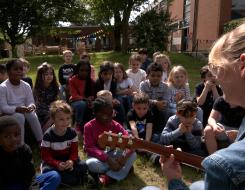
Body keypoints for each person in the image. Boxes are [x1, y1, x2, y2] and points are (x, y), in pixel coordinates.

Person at [158, 22, 245, 190]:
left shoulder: (222, 166)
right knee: (198, 185)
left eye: (216, 68)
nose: (214, 78)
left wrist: (174, 180)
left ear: (242, 66)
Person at [0, 116, 61, 190]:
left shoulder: (24, 149)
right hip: (8, 186)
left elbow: (31, 176)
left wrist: (33, 188)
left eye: (16, 135)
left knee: (54, 176)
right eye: (7, 137)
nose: (13, 139)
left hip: (25, 183)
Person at [84, 97, 137, 185]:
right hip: (99, 158)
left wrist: (125, 157)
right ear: (95, 113)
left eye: (111, 113)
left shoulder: (116, 125)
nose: (108, 118)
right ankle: (123, 170)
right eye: (104, 115)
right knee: (90, 164)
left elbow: (129, 141)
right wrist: (108, 159)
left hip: (114, 153)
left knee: (133, 155)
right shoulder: (88, 126)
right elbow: (89, 147)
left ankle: (108, 178)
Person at [41, 100, 88, 186]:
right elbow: (46, 156)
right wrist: (57, 164)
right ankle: (70, 179)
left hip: (67, 161)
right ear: (53, 119)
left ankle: (65, 179)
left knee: (83, 165)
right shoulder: (48, 135)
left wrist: (71, 161)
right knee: (47, 170)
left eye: (68, 118)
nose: (65, 122)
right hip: (54, 163)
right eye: (61, 119)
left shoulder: (72, 133)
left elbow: (74, 152)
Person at [0, 59, 43, 145]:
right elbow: (3, 107)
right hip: (10, 112)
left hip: (23, 110)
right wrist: (17, 109)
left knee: (32, 115)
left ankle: (41, 142)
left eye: (21, 69)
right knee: (19, 117)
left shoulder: (26, 85)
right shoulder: (3, 87)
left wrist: (31, 106)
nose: (19, 71)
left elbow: (30, 101)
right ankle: (20, 145)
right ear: (8, 71)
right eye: (15, 69)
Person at [140, 62, 173, 140]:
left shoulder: (165, 87)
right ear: (147, 76)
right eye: (153, 75)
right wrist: (155, 102)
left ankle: (161, 133)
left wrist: (161, 104)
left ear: (162, 76)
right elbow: (143, 99)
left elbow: (167, 100)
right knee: (147, 109)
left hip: (160, 108)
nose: (156, 78)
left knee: (166, 111)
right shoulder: (143, 85)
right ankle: (145, 132)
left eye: (158, 76)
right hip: (147, 107)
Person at [68, 60, 95, 133]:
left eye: (86, 71)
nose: (84, 72)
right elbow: (74, 95)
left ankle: (91, 126)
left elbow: (93, 94)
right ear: (77, 70)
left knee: (95, 105)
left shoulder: (90, 81)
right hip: (75, 101)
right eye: (82, 70)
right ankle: (79, 124)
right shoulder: (72, 80)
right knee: (81, 104)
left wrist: (91, 99)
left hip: (87, 101)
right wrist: (85, 99)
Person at [96, 61, 125, 125]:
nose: (108, 76)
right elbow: (98, 95)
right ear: (101, 73)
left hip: (111, 98)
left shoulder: (113, 81)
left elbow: (113, 93)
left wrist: (113, 99)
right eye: (105, 74)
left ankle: (121, 123)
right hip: (101, 100)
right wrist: (110, 100)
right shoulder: (98, 82)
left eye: (110, 74)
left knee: (119, 102)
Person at [33, 63, 59, 132]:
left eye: (51, 74)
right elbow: (38, 105)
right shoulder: (37, 89)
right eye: (46, 74)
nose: (49, 76)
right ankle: (43, 136)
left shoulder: (55, 88)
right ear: (40, 76)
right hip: (40, 112)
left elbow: (56, 102)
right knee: (53, 116)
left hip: (52, 110)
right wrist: (52, 111)